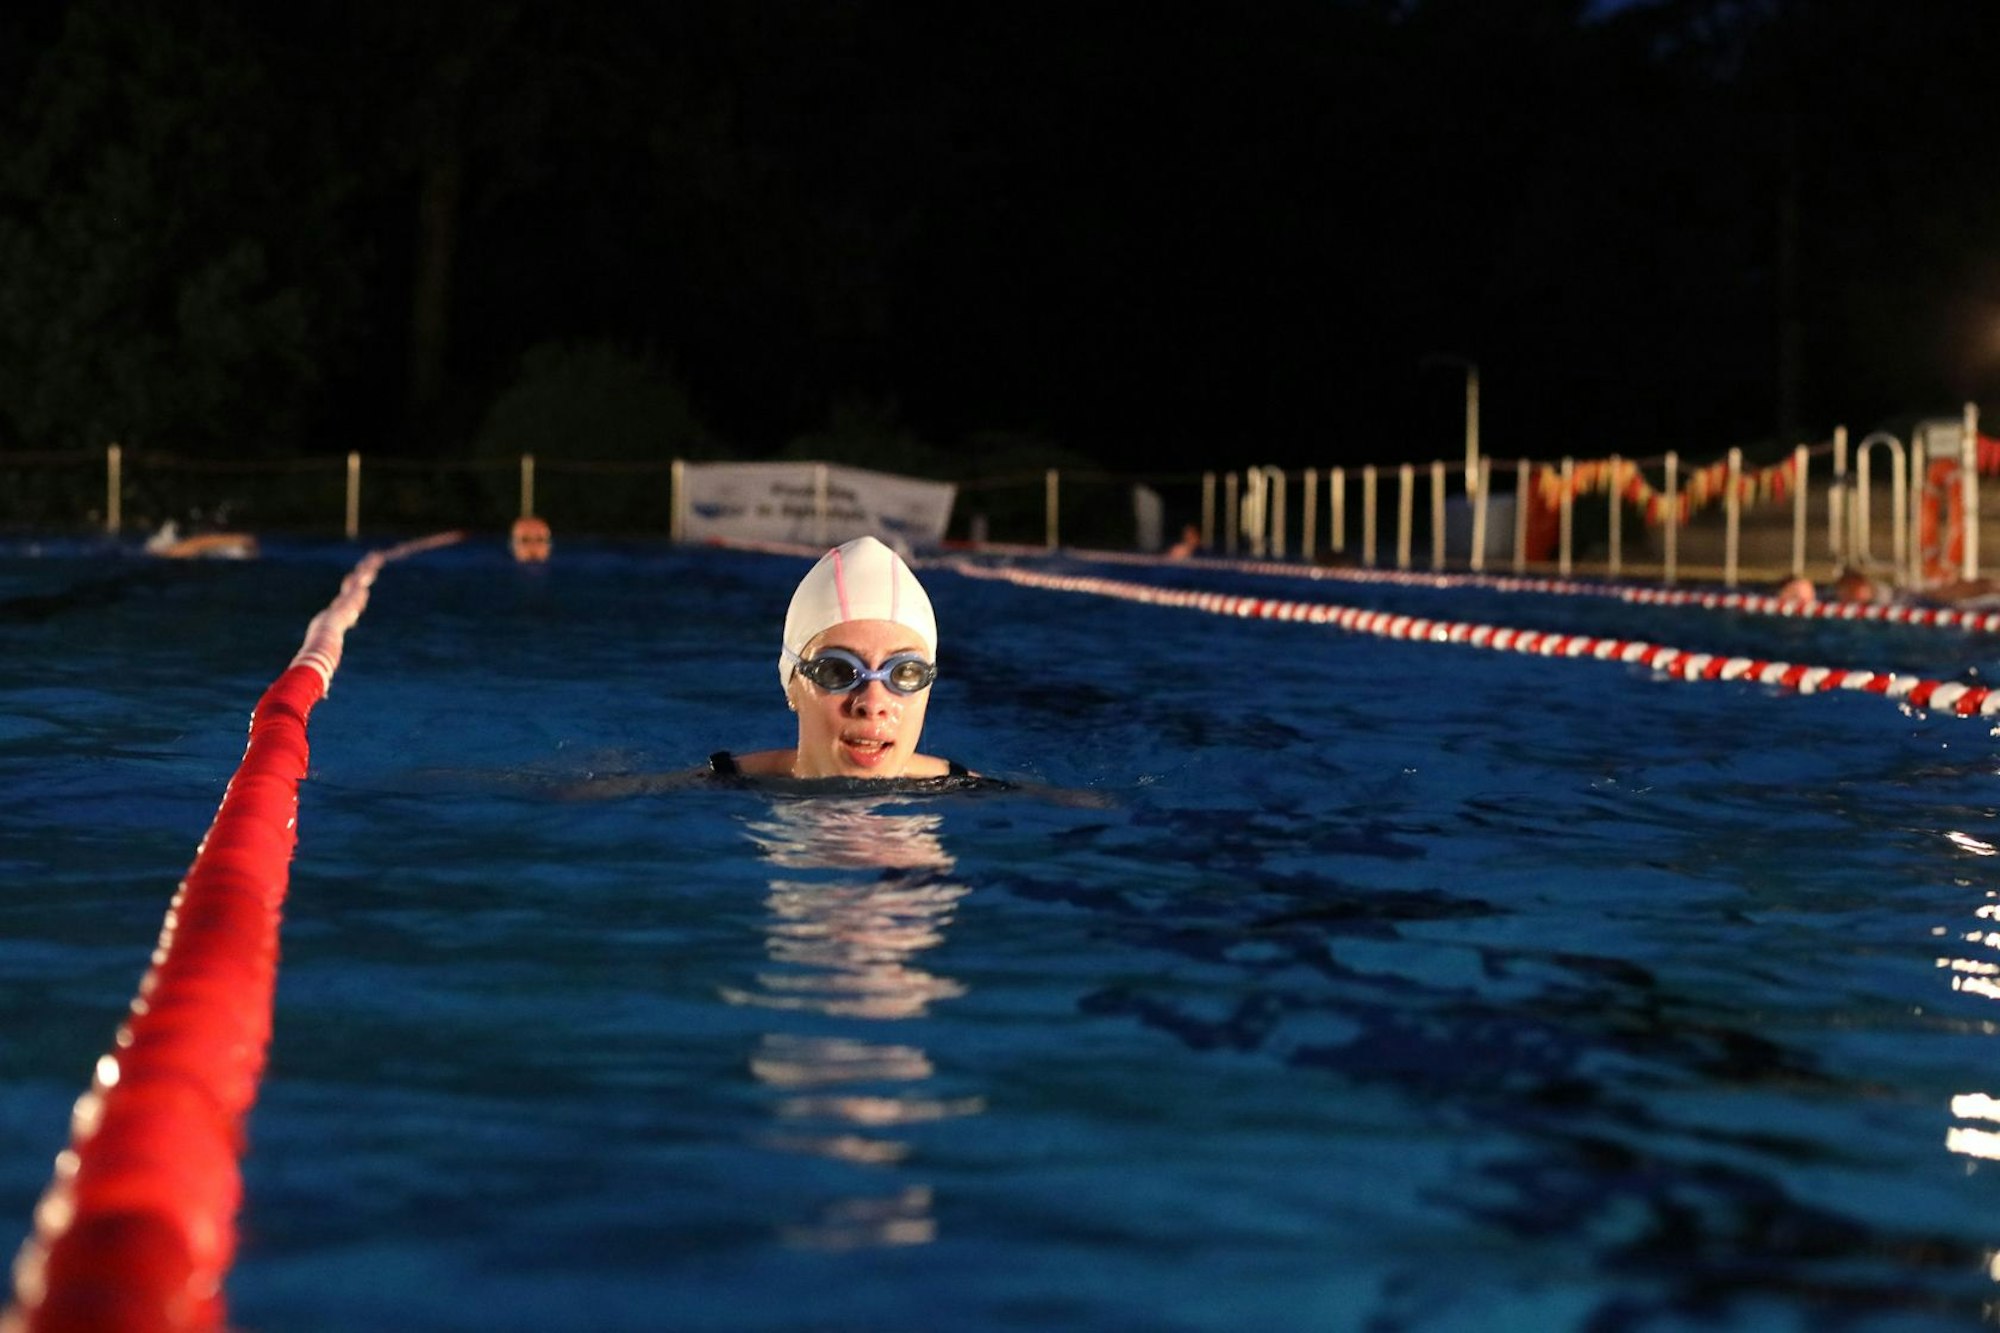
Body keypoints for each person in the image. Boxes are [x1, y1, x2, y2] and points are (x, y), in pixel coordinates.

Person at [711, 535, 974, 782]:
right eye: (837, 671)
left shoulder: (976, 799)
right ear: (792, 685)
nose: (872, 703)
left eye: (904, 672)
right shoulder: (710, 793)